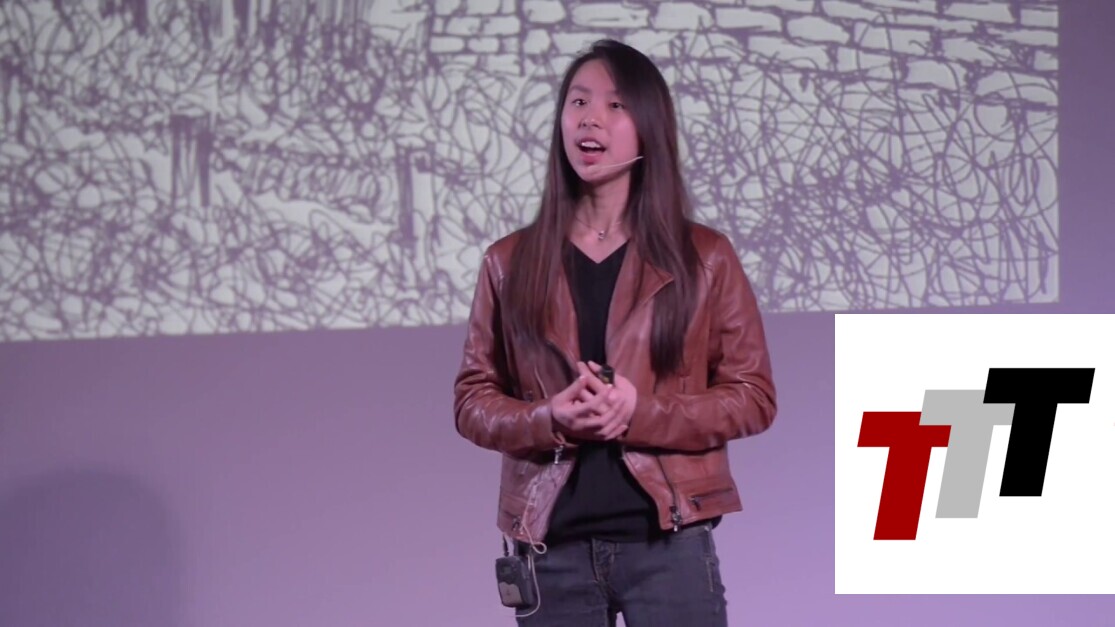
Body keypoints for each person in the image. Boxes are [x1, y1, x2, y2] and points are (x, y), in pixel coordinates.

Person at [453, 39, 777, 627]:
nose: (590, 118)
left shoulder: (704, 257)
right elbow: (473, 400)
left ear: (649, 126)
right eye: (578, 102)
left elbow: (753, 396)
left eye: (615, 104)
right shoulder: (508, 262)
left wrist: (639, 413)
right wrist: (549, 418)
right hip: (550, 553)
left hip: (669, 547)